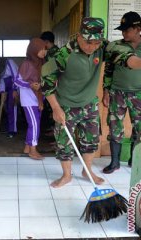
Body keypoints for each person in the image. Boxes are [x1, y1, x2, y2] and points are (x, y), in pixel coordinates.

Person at [41, 17, 106, 188]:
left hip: (90, 104)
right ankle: (67, 175)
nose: (92, 47)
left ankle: (87, 170)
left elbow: (123, 56)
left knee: (91, 141)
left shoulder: (102, 48)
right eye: (88, 42)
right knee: (64, 143)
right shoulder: (63, 54)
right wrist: (55, 108)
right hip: (66, 106)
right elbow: (46, 80)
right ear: (79, 37)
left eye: (96, 43)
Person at [102, 11, 141, 174]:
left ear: (138, 29)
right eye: (122, 29)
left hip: (139, 93)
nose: (123, 33)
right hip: (117, 93)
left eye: (127, 29)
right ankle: (114, 163)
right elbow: (109, 70)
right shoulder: (116, 46)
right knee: (114, 126)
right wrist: (106, 91)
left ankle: (135, 159)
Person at [14, 38, 46, 160]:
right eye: (41, 49)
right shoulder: (26, 64)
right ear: (34, 50)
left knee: (34, 124)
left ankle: (27, 147)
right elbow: (17, 80)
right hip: (28, 99)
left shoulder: (41, 63)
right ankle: (33, 150)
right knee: (34, 125)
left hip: (38, 98)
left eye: (45, 49)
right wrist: (30, 85)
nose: (44, 52)